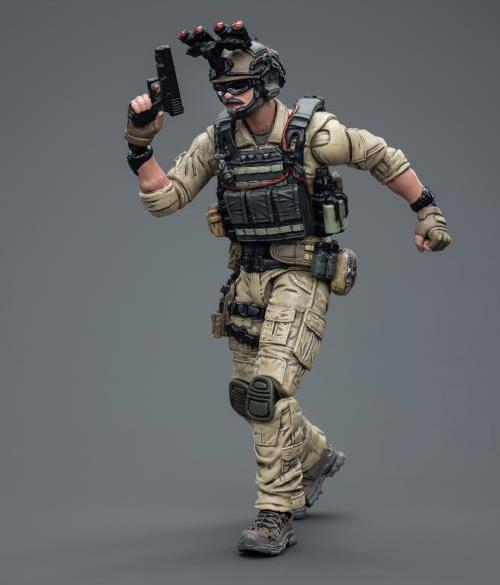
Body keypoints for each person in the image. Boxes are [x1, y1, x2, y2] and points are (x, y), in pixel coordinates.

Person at [124, 21, 452, 556]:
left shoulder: (311, 133)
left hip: (302, 272)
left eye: (239, 85)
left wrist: (427, 210)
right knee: (248, 396)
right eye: (222, 88)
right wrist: (140, 145)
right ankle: (314, 457)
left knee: (267, 392)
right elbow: (165, 198)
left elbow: (379, 155)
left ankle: (275, 513)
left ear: (267, 83)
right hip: (246, 280)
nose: (229, 96)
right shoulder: (218, 141)